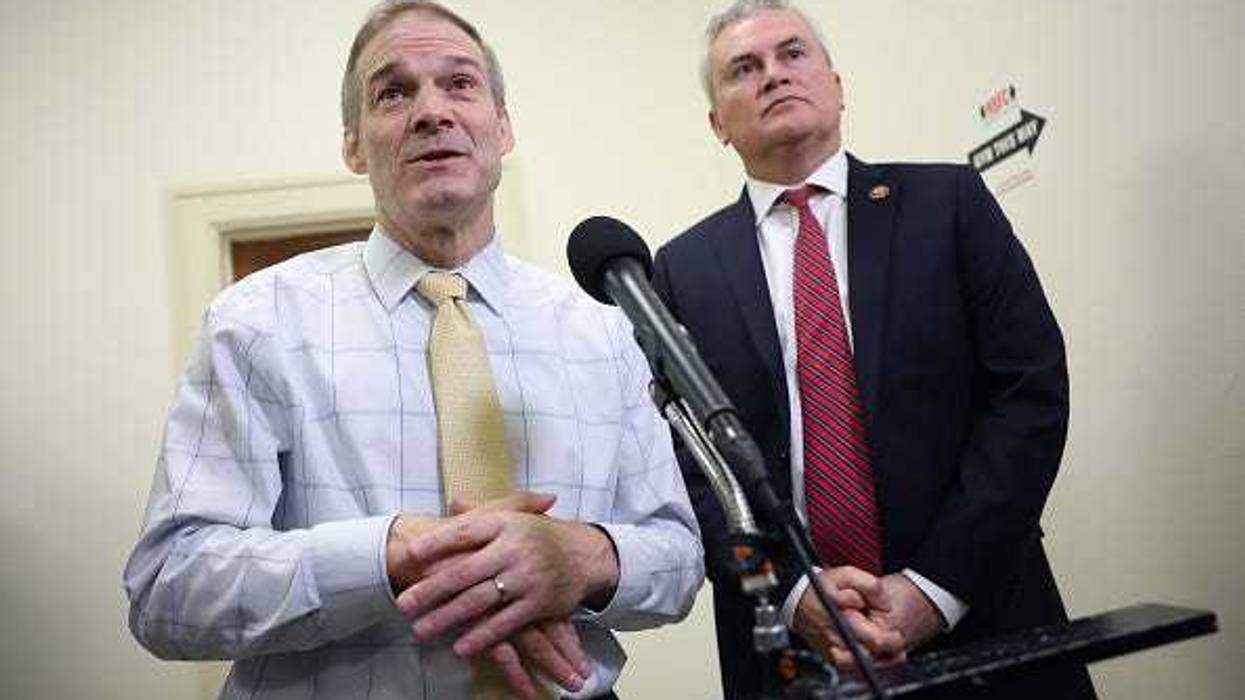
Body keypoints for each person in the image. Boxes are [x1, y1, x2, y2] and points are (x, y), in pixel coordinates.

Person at [123, 2, 703, 699]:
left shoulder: (602, 331)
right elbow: (168, 590)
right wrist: (387, 557)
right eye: (392, 92)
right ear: (353, 145)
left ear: (503, 127)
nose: (432, 111)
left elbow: (677, 555)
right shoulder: (255, 323)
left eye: (459, 84)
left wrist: (587, 559)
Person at [651, 2, 1096, 698]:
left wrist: (933, 587)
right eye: (743, 69)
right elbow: (687, 465)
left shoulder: (947, 203)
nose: (773, 75)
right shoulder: (679, 269)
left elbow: (1028, 391)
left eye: (792, 54)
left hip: (982, 617)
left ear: (836, 83)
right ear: (716, 124)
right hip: (792, 652)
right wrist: (796, 594)